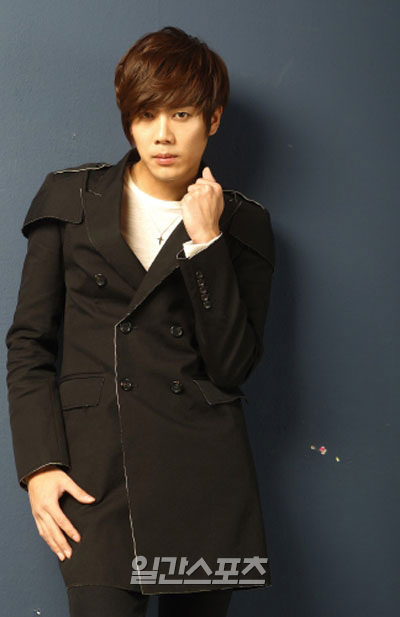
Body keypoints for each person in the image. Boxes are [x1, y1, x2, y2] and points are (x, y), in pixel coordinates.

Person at [5, 26, 275, 616]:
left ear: (213, 119)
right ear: (129, 119)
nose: (162, 134)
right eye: (146, 114)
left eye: (182, 114)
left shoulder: (244, 225)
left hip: (203, 474)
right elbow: (29, 345)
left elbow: (232, 368)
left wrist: (207, 244)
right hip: (97, 473)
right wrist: (40, 465)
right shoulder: (69, 200)